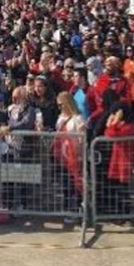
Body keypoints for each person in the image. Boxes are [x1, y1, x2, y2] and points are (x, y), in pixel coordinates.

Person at [52, 91, 85, 220]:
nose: (60, 107)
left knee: (75, 185)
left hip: (75, 156)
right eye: (58, 105)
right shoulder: (61, 117)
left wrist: (81, 155)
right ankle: (68, 210)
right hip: (63, 156)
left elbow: (82, 138)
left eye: (61, 104)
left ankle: (76, 211)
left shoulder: (78, 119)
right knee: (66, 185)